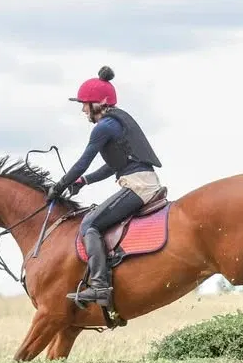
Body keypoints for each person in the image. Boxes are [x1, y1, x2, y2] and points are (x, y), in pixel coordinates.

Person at [47, 65, 163, 307]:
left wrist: (59, 186)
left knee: (89, 224)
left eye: (84, 104)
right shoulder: (117, 122)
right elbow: (113, 165)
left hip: (138, 186)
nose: (82, 109)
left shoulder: (104, 127)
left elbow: (82, 162)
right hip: (143, 181)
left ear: (97, 104)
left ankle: (100, 286)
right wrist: (83, 181)